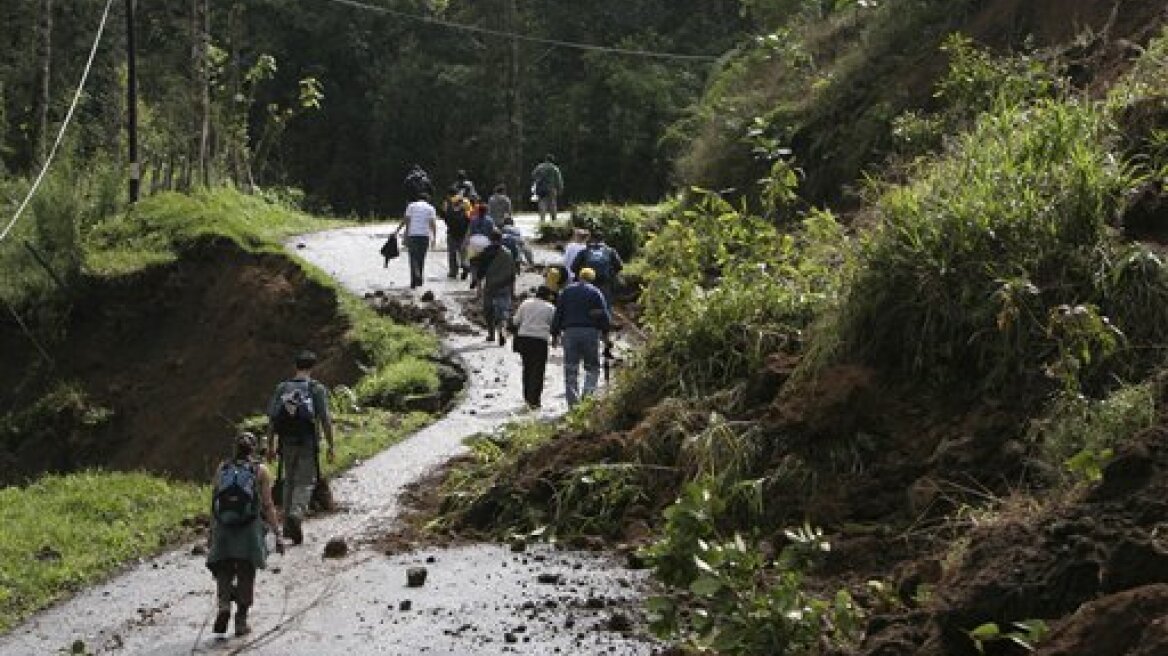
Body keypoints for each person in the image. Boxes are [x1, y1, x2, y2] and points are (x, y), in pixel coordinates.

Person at [206, 431, 281, 638]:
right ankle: (241, 621)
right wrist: (277, 533)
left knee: (223, 568)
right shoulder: (261, 471)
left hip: (224, 528)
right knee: (247, 571)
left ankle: (223, 606)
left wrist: (211, 532)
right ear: (254, 449)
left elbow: (215, 503)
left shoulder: (223, 468)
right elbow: (267, 505)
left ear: (235, 448)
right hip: (248, 530)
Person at [265, 350, 334, 545]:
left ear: (295, 367)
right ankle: (295, 514)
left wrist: (270, 446)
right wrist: (330, 445)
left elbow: (272, 420)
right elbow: (325, 420)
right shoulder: (316, 389)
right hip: (308, 442)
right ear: (313, 368)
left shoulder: (282, 388)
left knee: (289, 481)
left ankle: (287, 525)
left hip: (285, 442)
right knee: (305, 481)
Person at [550, 268, 611, 407]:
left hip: (570, 333)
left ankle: (573, 406)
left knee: (571, 369)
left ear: (578, 277)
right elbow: (603, 314)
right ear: (592, 279)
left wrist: (554, 334)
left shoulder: (567, 291)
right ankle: (587, 400)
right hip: (590, 333)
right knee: (592, 368)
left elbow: (558, 313)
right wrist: (606, 334)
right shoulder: (595, 292)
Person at [511, 285, 557, 409]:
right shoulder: (550, 308)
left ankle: (527, 397)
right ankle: (534, 400)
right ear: (548, 296)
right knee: (538, 370)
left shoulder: (525, 303)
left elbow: (516, 321)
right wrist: (555, 340)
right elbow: (554, 326)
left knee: (527, 368)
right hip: (540, 341)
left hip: (524, 339)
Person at [475, 229, 516, 346]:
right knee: (503, 311)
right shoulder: (508, 253)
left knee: (488, 311)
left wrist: (478, 289)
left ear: (490, 239)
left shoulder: (487, 252)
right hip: (505, 286)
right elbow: (512, 274)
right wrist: (513, 291)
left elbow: (480, 272)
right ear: (501, 239)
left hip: (490, 287)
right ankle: (502, 330)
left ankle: (491, 334)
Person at [570, 231, 624, 306]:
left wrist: (582, 275)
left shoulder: (585, 251)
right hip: (605, 285)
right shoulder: (610, 251)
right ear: (603, 240)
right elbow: (620, 267)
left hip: (587, 284)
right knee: (604, 306)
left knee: (586, 306)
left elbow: (573, 267)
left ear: (592, 239)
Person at [396, 192, 437, 289]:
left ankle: (414, 281)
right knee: (421, 258)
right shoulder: (430, 208)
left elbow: (406, 220)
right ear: (427, 200)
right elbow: (433, 224)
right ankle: (419, 279)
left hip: (413, 235)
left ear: (418, 199)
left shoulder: (411, 206)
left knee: (413, 257)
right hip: (424, 236)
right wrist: (434, 238)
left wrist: (397, 231)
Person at [441, 186, 471, 278]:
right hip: (463, 233)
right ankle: (465, 265)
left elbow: (445, 217)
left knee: (452, 254)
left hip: (452, 233)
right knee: (464, 253)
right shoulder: (465, 202)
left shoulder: (447, 203)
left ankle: (453, 272)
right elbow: (470, 218)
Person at [531, 154, 564, 222]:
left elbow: (533, 175)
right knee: (552, 204)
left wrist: (538, 181)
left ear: (546, 159)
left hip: (541, 188)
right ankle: (554, 219)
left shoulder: (539, 167)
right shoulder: (554, 168)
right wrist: (560, 188)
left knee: (542, 203)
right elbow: (559, 179)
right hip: (551, 188)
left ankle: (542, 219)